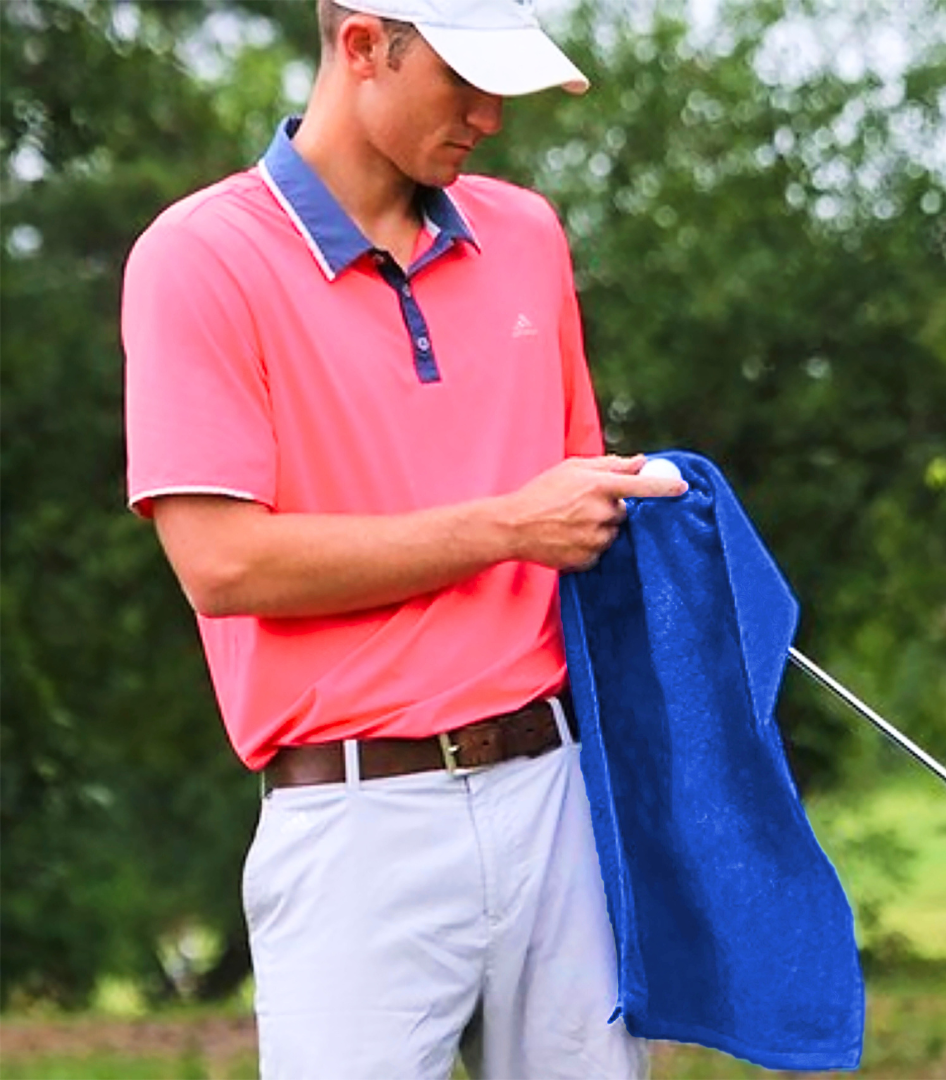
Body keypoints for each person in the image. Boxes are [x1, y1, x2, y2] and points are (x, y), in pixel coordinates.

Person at [122, 1, 685, 1077]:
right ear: (363, 47)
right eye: (463, 81)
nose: (489, 117)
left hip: (557, 796)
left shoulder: (528, 234)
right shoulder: (199, 258)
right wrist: (510, 525)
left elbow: (571, 501)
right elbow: (222, 565)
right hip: (354, 826)